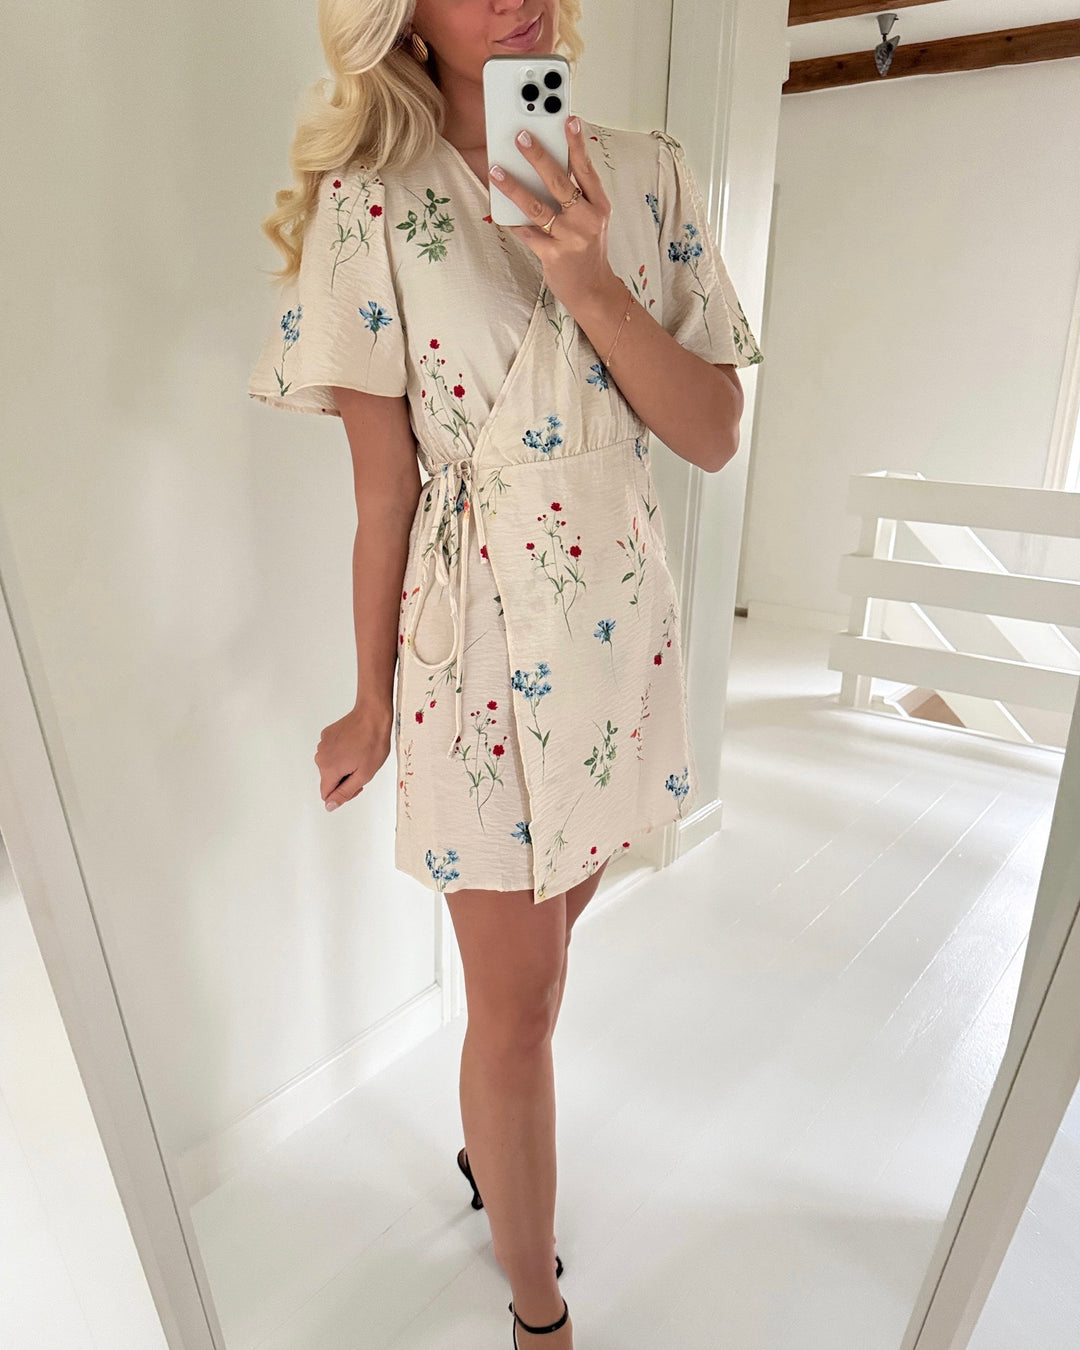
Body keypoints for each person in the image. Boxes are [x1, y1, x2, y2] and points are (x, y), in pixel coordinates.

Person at [247, 2, 763, 1343]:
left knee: (545, 949)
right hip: (473, 633)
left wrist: (590, 278)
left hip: (619, 626)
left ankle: (494, 1134)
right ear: (403, 14)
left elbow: (712, 431)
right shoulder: (375, 204)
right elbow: (384, 491)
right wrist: (370, 696)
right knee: (519, 1004)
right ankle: (538, 1309)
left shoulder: (646, 172)